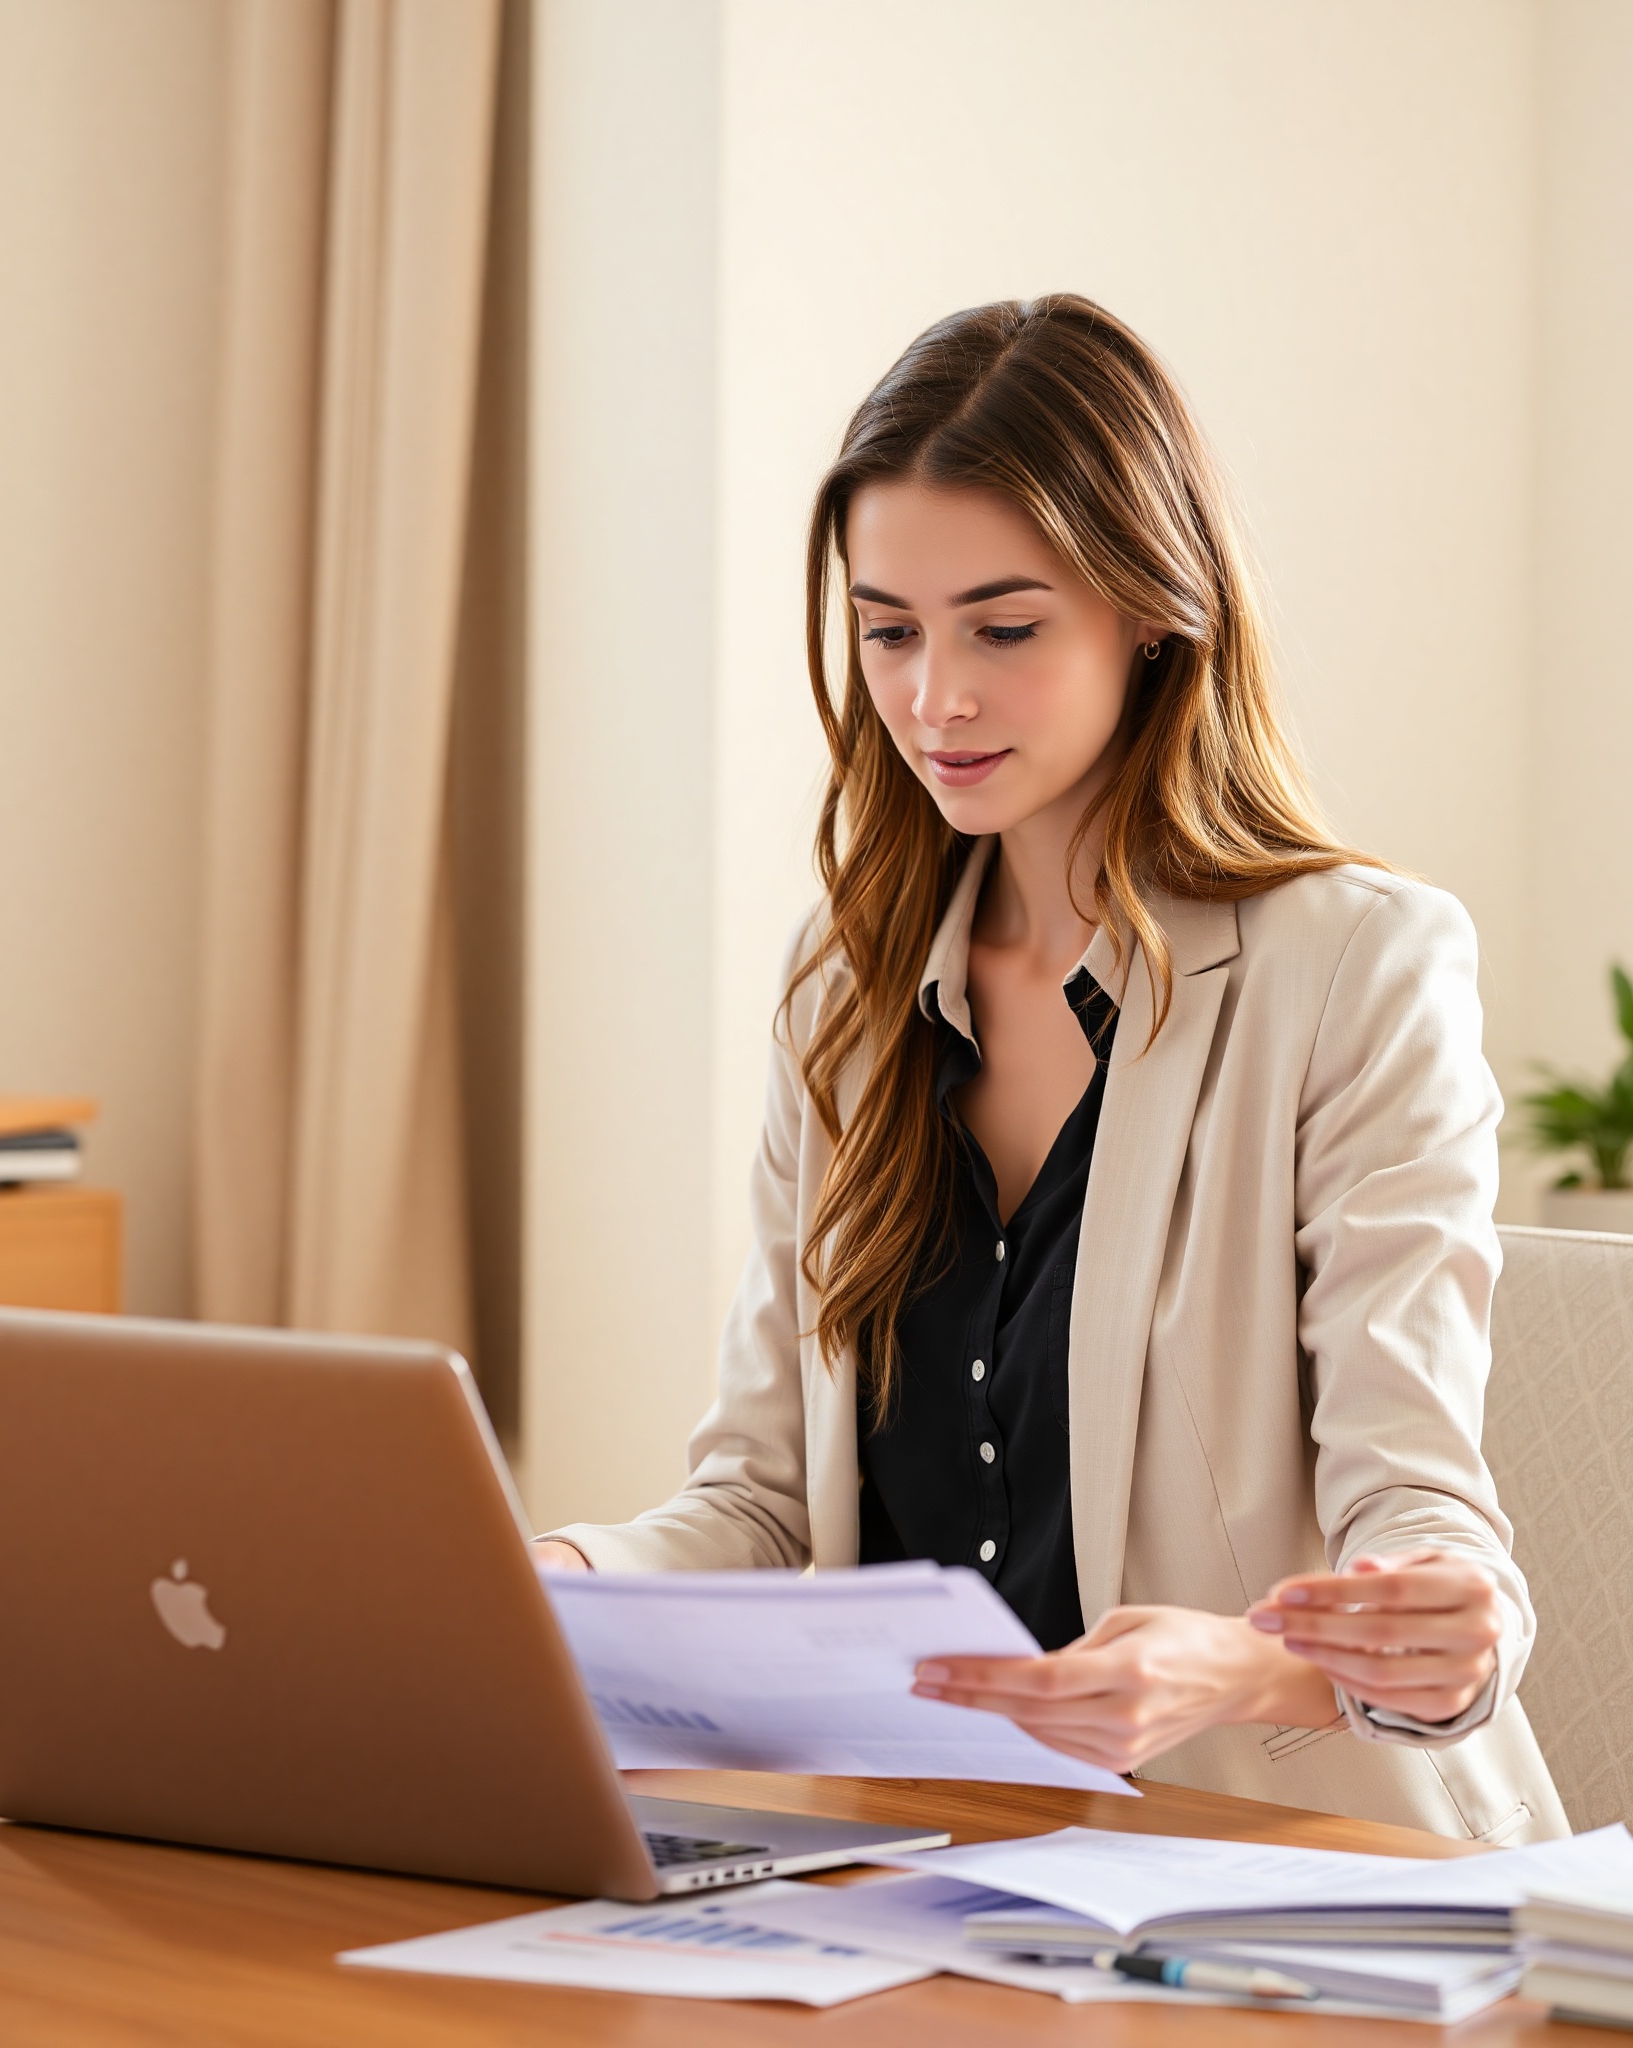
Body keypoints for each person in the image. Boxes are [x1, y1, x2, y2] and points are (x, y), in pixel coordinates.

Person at [535, 295, 1566, 1843]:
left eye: (1003, 630)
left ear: (1151, 610)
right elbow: (759, 1504)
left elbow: (1421, 1532)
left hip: (1292, 1877)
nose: (933, 699)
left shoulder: (1356, 969)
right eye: (890, 629)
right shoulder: (848, 985)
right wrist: (564, 1581)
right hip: (933, 1860)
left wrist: (1246, 1661)